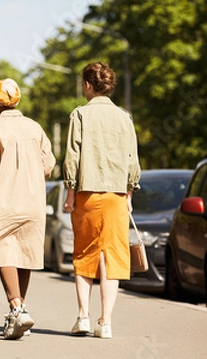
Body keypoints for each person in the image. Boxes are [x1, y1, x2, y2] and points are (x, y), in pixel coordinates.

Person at [0, 78, 56, 340]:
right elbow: (48, 165)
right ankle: (19, 310)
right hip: (33, 202)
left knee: (6, 253)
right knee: (25, 255)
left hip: (4, 201)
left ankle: (17, 308)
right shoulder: (35, 127)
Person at [63, 61, 141, 339]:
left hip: (87, 194)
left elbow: (72, 157)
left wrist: (70, 193)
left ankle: (83, 317)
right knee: (112, 257)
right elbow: (132, 160)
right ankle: (105, 323)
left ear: (87, 85)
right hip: (117, 196)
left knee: (85, 254)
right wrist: (129, 193)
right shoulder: (124, 117)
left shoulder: (80, 115)